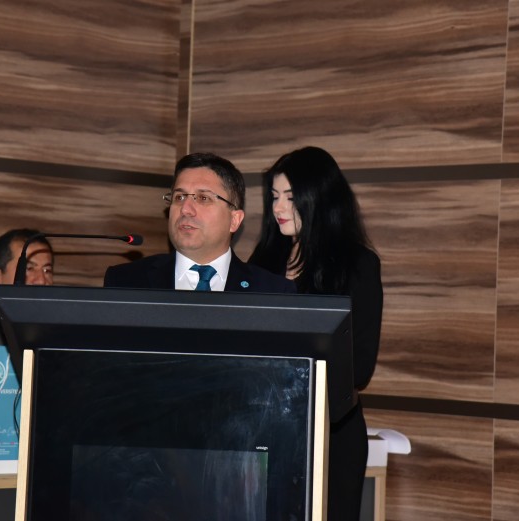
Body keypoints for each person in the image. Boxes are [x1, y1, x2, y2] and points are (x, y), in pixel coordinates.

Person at [248, 146, 383, 521]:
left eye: (291, 198)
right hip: (265, 428)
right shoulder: (263, 261)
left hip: (332, 432)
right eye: (274, 196)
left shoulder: (357, 265)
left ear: (318, 199)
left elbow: (360, 366)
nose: (279, 208)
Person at [104, 152, 295, 293]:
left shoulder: (272, 291)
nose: (185, 209)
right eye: (179, 197)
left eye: (203, 198)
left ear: (234, 220)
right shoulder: (125, 282)